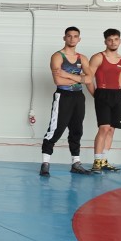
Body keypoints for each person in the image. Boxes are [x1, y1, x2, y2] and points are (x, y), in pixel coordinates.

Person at [39, 27, 93, 176]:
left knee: (77, 130)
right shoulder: (58, 56)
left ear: (79, 39)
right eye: (69, 36)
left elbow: (89, 79)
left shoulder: (82, 58)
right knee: (55, 130)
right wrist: (79, 79)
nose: (72, 39)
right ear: (64, 38)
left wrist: (67, 75)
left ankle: (76, 163)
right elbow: (58, 81)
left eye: (75, 36)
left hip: (78, 97)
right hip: (63, 96)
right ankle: (45, 163)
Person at [87, 28, 121, 173]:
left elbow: (120, 82)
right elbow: (88, 79)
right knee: (103, 128)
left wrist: (117, 95)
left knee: (111, 129)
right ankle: (96, 162)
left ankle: (104, 160)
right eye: (110, 40)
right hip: (102, 93)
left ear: (120, 41)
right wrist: (96, 95)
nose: (113, 42)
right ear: (105, 42)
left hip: (117, 95)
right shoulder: (98, 57)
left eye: (116, 39)